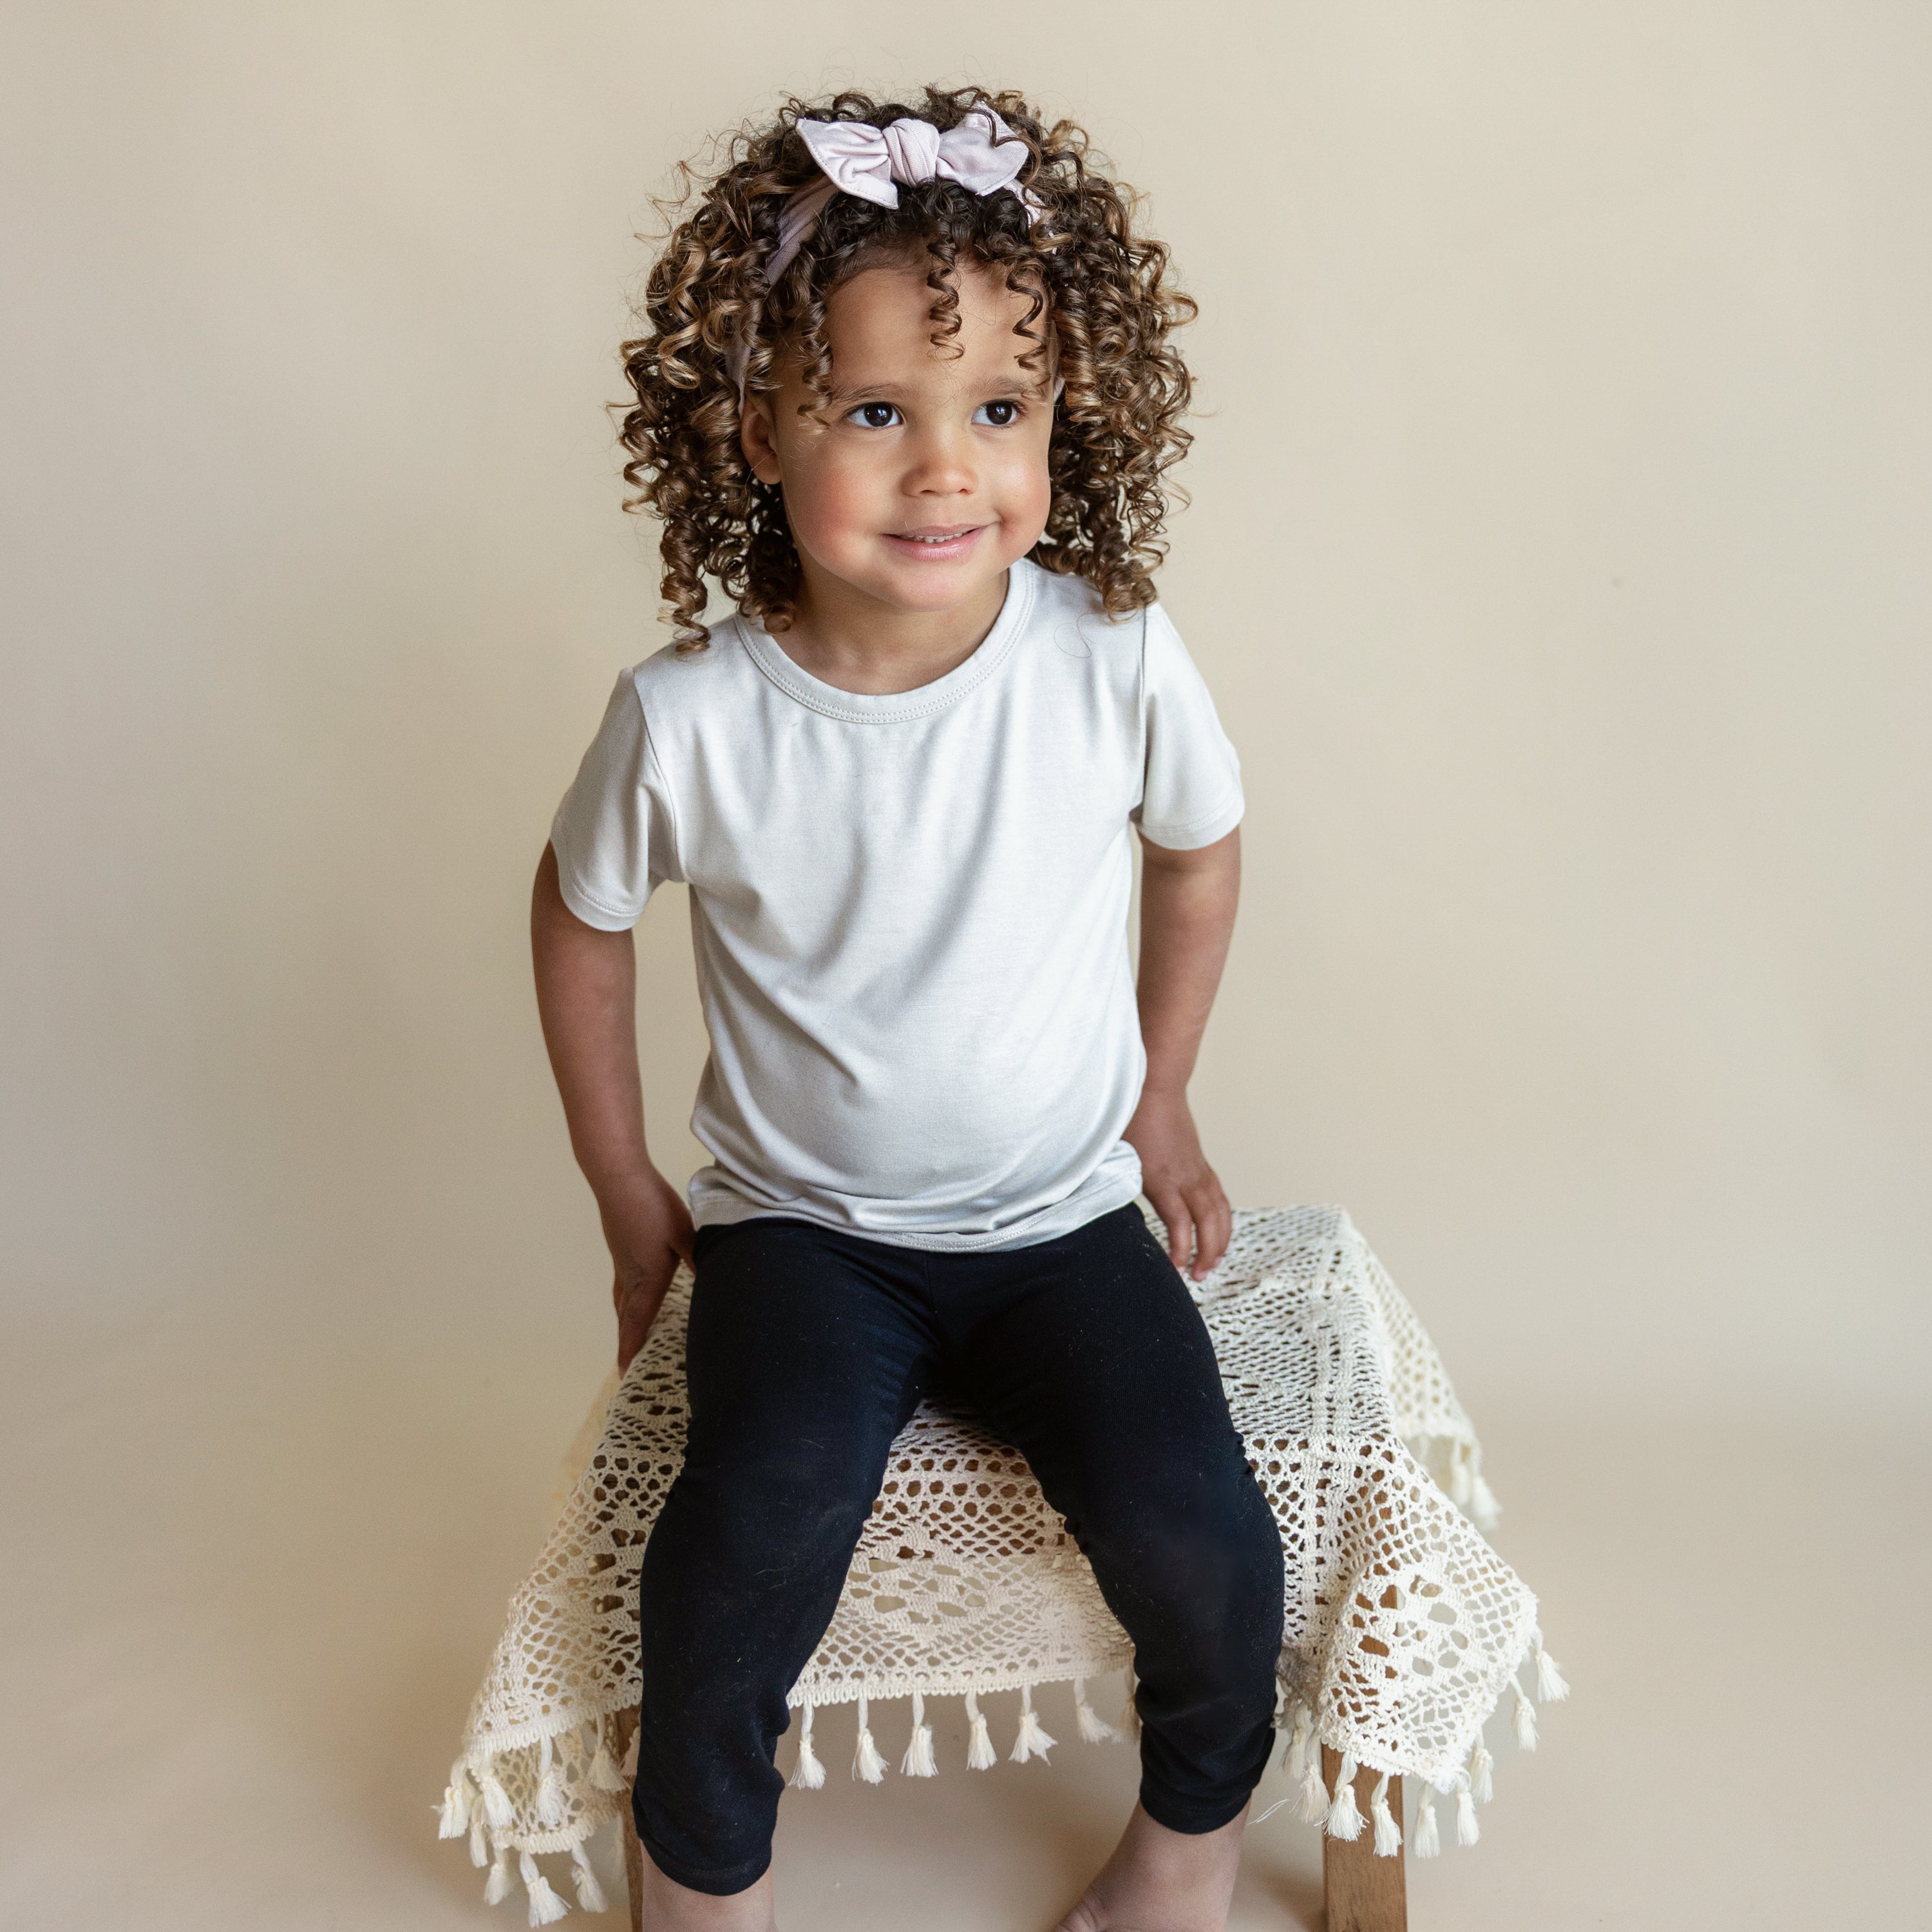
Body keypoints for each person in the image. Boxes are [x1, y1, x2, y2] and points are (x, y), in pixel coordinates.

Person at [531, 86, 1284, 1932]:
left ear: (1060, 419)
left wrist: (1162, 1093)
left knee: (1204, 1534)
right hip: (809, 1235)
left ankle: (1183, 1847)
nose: (949, 469)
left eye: (999, 412)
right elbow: (575, 919)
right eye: (878, 411)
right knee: (742, 1542)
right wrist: (631, 1187)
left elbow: (1200, 852)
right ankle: (699, 1876)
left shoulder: (1110, 652)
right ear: (753, 423)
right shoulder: (693, 718)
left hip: (1058, 1219)